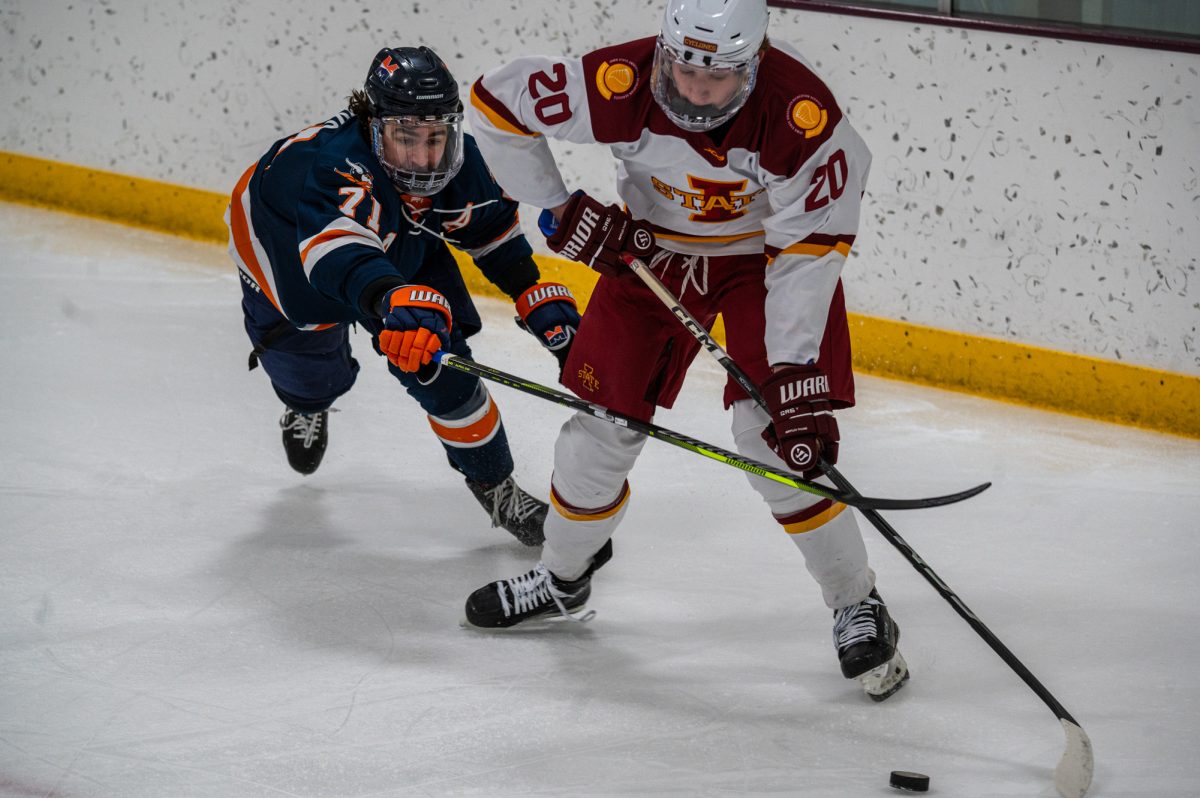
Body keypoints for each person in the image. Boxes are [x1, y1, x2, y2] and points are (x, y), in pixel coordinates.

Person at [461, 0, 908, 700]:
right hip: (647, 254)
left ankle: (857, 602)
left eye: (718, 77)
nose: (695, 90)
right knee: (599, 432)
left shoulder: (802, 118)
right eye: (683, 69)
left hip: (766, 262)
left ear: (753, 66)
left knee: (773, 439)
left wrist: (792, 372)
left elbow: (812, 248)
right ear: (666, 52)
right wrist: (557, 207)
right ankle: (562, 578)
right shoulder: (620, 79)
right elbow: (495, 102)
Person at [226, 46, 583, 547]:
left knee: (442, 366)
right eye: (405, 138)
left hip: (397, 247)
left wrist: (531, 291)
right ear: (373, 126)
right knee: (310, 376)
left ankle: (497, 488)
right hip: (289, 264)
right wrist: (393, 298)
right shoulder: (335, 165)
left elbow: (491, 233)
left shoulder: (461, 162)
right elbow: (337, 251)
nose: (423, 158)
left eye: (436, 138)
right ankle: (307, 403)